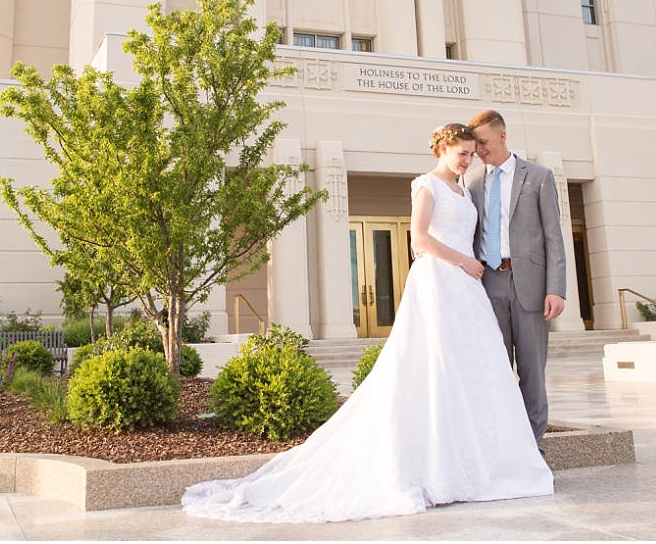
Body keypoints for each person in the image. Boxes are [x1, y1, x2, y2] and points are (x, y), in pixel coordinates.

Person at [182, 123, 551, 523]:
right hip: (441, 281)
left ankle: (480, 460)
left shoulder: (466, 188)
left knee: (471, 371)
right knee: (434, 366)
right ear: (442, 150)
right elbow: (419, 240)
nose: (467, 160)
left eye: (469, 153)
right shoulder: (427, 185)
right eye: (460, 153)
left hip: (468, 290)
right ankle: (436, 468)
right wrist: (462, 260)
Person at [466, 107, 568, 439]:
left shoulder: (538, 176)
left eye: (483, 143)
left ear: (502, 136)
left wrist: (557, 288)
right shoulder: (473, 181)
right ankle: (502, 446)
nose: (479, 151)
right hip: (489, 285)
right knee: (494, 371)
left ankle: (534, 450)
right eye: (475, 146)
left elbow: (554, 237)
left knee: (532, 373)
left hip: (531, 287)